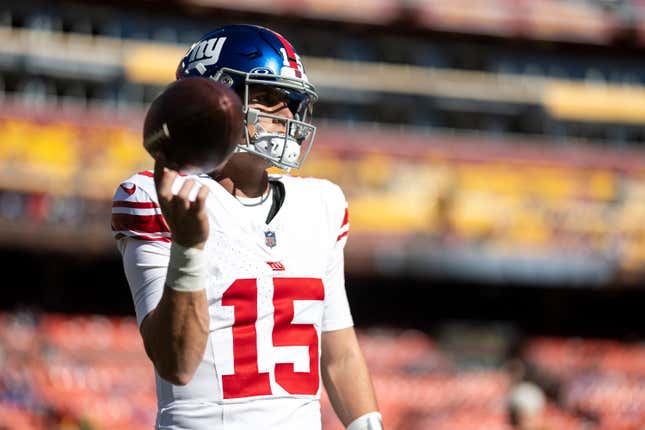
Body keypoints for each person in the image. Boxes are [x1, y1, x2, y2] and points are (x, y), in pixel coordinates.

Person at [111, 24, 382, 430]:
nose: (288, 115)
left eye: (293, 101)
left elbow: (338, 351)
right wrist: (188, 244)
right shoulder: (157, 197)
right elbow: (176, 363)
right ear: (216, 102)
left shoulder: (321, 206)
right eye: (271, 98)